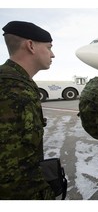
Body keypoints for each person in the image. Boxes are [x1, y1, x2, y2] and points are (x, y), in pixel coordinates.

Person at [0, 21, 55, 199]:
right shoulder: (14, 90)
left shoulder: (17, 81)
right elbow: (13, 169)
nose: (53, 54)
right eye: (49, 47)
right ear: (30, 45)